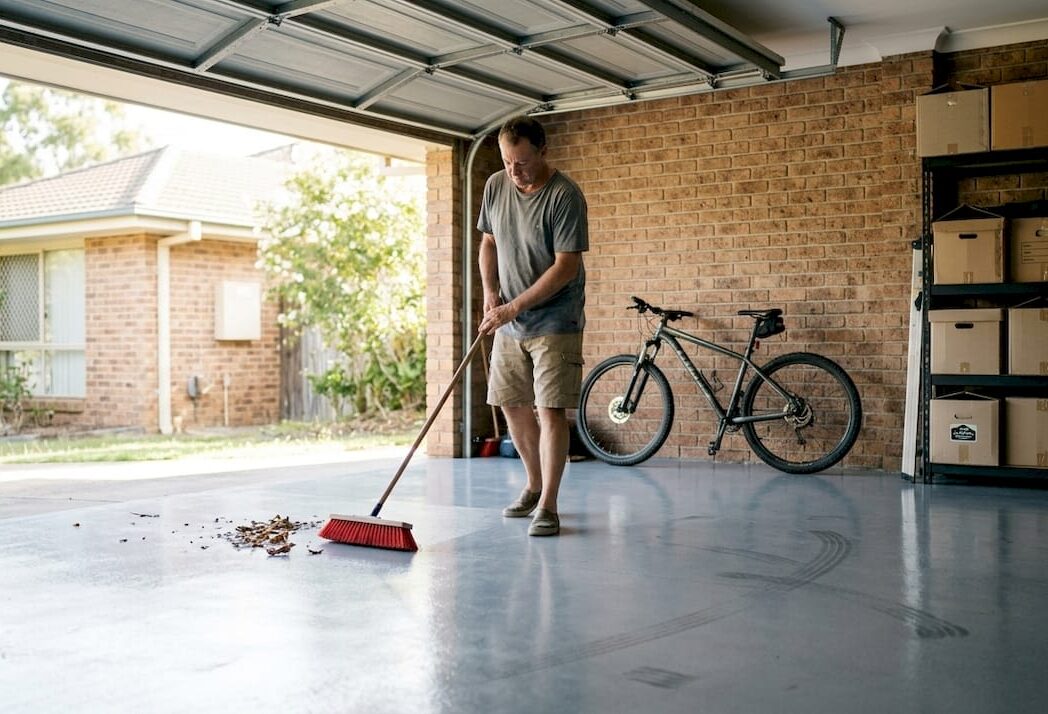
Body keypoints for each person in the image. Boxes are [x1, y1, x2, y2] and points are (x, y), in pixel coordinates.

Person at [476, 116, 588, 537]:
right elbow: (488, 242)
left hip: (555, 319)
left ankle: (549, 505)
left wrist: (514, 306)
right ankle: (532, 484)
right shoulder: (495, 185)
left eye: (521, 162)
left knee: (550, 409)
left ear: (543, 152)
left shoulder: (564, 196)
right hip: (508, 318)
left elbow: (566, 266)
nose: (514, 171)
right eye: (507, 161)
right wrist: (491, 295)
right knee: (510, 402)